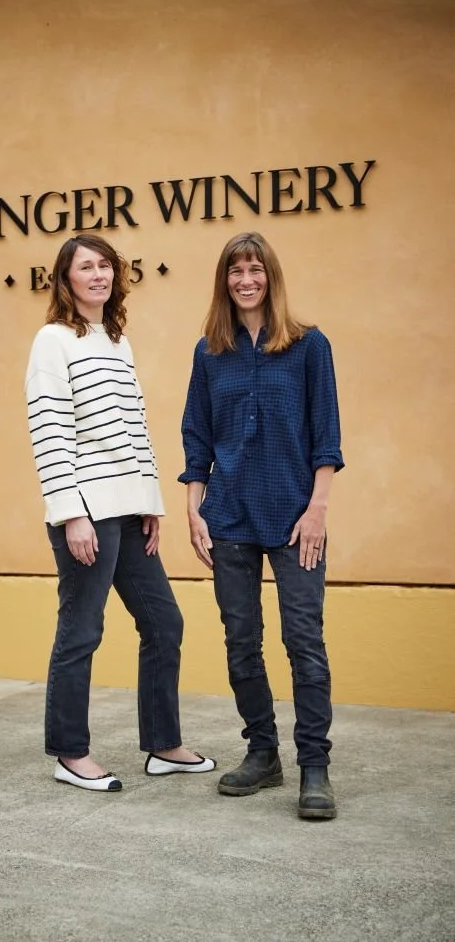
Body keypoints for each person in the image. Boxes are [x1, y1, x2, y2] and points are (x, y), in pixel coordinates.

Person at [25, 233, 215, 792]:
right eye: (86, 267)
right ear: (66, 280)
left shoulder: (115, 341)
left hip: (130, 511)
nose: (98, 275)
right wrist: (71, 513)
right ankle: (69, 754)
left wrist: (149, 502)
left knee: (163, 622)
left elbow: (135, 427)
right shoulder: (52, 341)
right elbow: (50, 430)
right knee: (82, 630)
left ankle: (163, 745)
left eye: (105, 265)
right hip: (86, 511)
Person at [179, 231, 344, 819]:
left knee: (304, 640)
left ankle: (314, 766)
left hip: (296, 517)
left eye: (255, 270)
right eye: (235, 271)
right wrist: (194, 507)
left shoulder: (308, 345)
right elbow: (197, 434)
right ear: (224, 282)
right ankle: (262, 752)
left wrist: (318, 508)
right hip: (229, 516)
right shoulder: (210, 352)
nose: (246, 280)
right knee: (240, 640)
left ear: (270, 276)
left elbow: (326, 433)